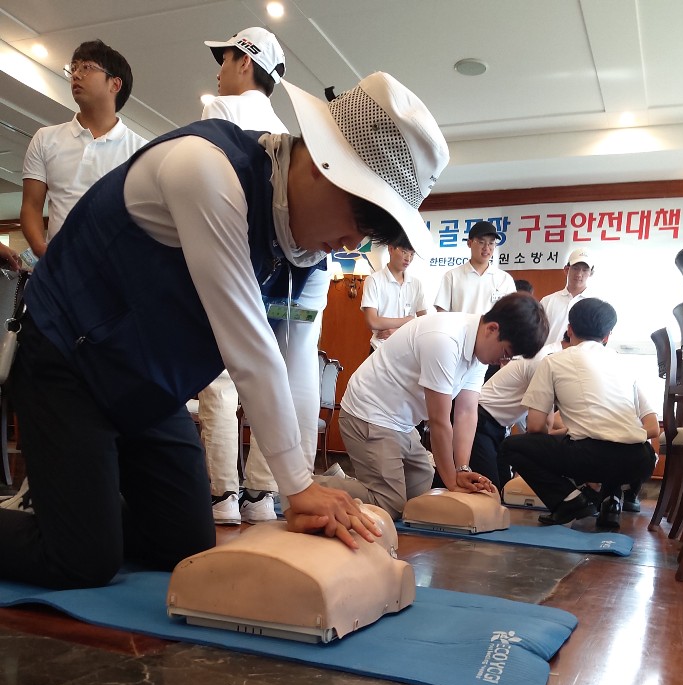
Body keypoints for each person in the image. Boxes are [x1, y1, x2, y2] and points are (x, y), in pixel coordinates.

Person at [0, 71, 450, 589]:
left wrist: (299, 483)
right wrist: (298, 487)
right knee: (82, 561)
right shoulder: (207, 169)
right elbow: (249, 346)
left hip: (147, 383)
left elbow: (296, 367)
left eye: (370, 233)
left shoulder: (306, 253)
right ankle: (75, 522)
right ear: (324, 165)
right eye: (360, 217)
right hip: (67, 360)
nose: (353, 242)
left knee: (181, 543)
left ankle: (76, 508)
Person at [196, 27, 329, 525]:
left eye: (224, 59)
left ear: (245, 62)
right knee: (284, 372)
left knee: (221, 377)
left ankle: (224, 495)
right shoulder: (285, 132)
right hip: (299, 274)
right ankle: (262, 495)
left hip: (244, 261)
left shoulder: (220, 110)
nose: (219, 71)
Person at [315, 293, 548, 519]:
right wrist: (453, 483)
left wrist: (462, 469)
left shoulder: (479, 351)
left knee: (421, 497)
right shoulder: (444, 339)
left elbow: (466, 413)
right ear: (492, 329)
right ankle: (309, 486)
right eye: (505, 353)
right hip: (369, 414)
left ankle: (341, 483)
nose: (503, 362)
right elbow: (439, 421)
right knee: (390, 504)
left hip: (402, 423)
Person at [502, 298, 658, 532]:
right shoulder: (624, 364)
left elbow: (534, 426)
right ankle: (611, 501)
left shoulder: (553, 361)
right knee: (609, 447)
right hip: (641, 461)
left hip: (589, 458)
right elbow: (652, 425)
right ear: (607, 336)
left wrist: (564, 438)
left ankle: (569, 500)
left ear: (569, 329)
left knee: (511, 447)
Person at [20, 39, 146, 259]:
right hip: (58, 265)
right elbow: (31, 205)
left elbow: (144, 217)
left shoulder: (141, 150)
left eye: (87, 67)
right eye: (74, 68)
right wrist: (42, 251)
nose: (76, 75)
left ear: (115, 85)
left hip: (113, 268)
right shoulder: (45, 138)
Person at [469, 337, 563, 489]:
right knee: (491, 489)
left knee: (503, 488)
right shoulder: (545, 361)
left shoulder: (550, 358)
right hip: (480, 421)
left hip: (497, 426)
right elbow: (543, 423)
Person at [434, 220, 516, 319]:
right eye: (481, 242)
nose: (486, 248)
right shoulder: (452, 276)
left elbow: (512, 314)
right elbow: (442, 313)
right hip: (460, 329)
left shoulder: (504, 279)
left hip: (493, 329)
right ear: (469, 243)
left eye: (491, 243)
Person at [361, 241, 427, 350]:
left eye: (412, 254)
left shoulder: (416, 284)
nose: (408, 259)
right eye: (404, 252)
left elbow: (424, 322)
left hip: (408, 349)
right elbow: (372, 321)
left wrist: (398, 332)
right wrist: (408, 320)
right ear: (391, 249)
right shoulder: (373, 280)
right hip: (379, 348)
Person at [539, 248, 594, 345]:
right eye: (575, 268)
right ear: (566, 269)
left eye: (585, 270)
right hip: (549, 354)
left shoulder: (595, 304)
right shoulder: (547, 301)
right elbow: (536, 333)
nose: (579, 274)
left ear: (591, 273)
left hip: (580, 355)